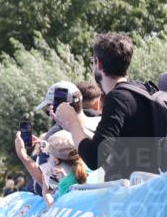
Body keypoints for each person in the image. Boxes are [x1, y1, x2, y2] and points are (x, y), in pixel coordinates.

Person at [55, 32, 161, 180]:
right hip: (151, 190)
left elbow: (94, 157)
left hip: (129, 195)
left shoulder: (117, 98)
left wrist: (72, 123)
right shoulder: (144, 89)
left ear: (98, 63)